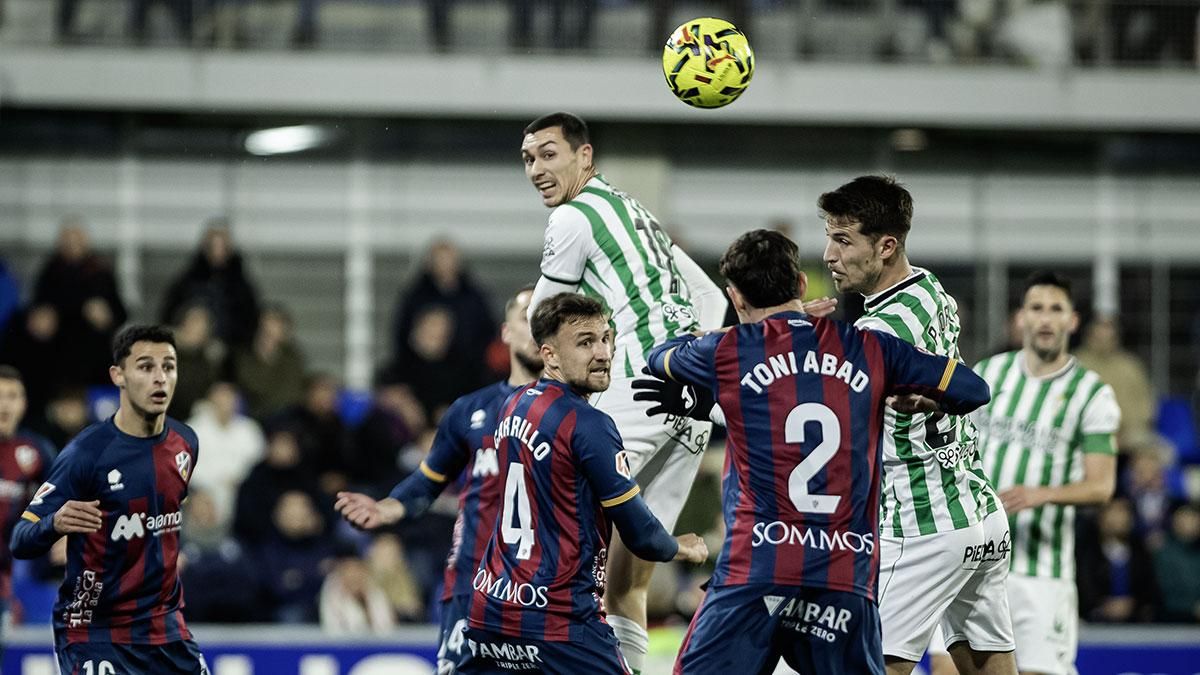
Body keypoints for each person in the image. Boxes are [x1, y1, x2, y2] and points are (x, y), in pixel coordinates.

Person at [635, 229, 991, 673]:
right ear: (802, 285)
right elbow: (973, 389)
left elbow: (659, 356)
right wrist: (926, 398)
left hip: (757, 568)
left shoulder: (728, 350)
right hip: (842, 576)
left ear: (735, 296)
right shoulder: (870, 347)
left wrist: (733, 330)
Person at [521, 112, 726, 673]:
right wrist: (691, 353)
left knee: (554, 536)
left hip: (636, 388)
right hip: (692, 401)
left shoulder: (571, 220)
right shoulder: (633, 211)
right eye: (528, 159)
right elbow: (709, 295)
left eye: (549, 155)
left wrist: (519, 352)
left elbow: (544, 324)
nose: (537, 169)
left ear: (584, 157)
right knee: (626, 581)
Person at [819, 175, 1015, 675]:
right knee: (989, 664)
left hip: (919, 527)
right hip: (979, 516)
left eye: (843, 240)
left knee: (865, 668)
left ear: (885, 246)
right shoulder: (929, 288)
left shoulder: (877, 333)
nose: (828, 254)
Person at [455, 293, 706, 674]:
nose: (603, 353)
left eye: (606, 338)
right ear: (550, 355)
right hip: (559, 620)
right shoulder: (588, 425)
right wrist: (681, 548)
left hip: (491, 610)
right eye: (585, 342)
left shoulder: (513, 405)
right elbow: (640, 534)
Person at [336, 286, 544, 673]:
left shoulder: (579, 413)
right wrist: (388, 508)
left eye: (544, 318)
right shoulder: (470, 410)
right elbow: (429, 480)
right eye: (525, 317)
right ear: (505, 332)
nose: (535, 327)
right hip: (474, 590)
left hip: (550, 595)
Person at [10, 324, 208, 674]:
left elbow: (169, 513)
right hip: (94, 629)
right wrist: (55, 523)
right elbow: (20, 540)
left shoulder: (185, 442)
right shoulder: (86, 454)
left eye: (169, 366)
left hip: (166, 628)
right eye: (146, 367)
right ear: (118, 375)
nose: (160, 377)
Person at [975, 272, 1119, 673]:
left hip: (1042, 572)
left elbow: (1102, 485)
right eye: (1036, 308)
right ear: (1021, 318)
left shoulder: (1092, 394)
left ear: (1072, 321)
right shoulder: (989, 375)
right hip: (976, 561)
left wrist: (1043, 494)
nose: (1045, 319)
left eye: (1056, 310)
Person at [0, 366, 57, 659]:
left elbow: (62, 501)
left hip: (18, 568)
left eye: (13, 396)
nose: (5, 404)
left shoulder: (36, 452)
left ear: (23, 404)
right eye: (0, 396)